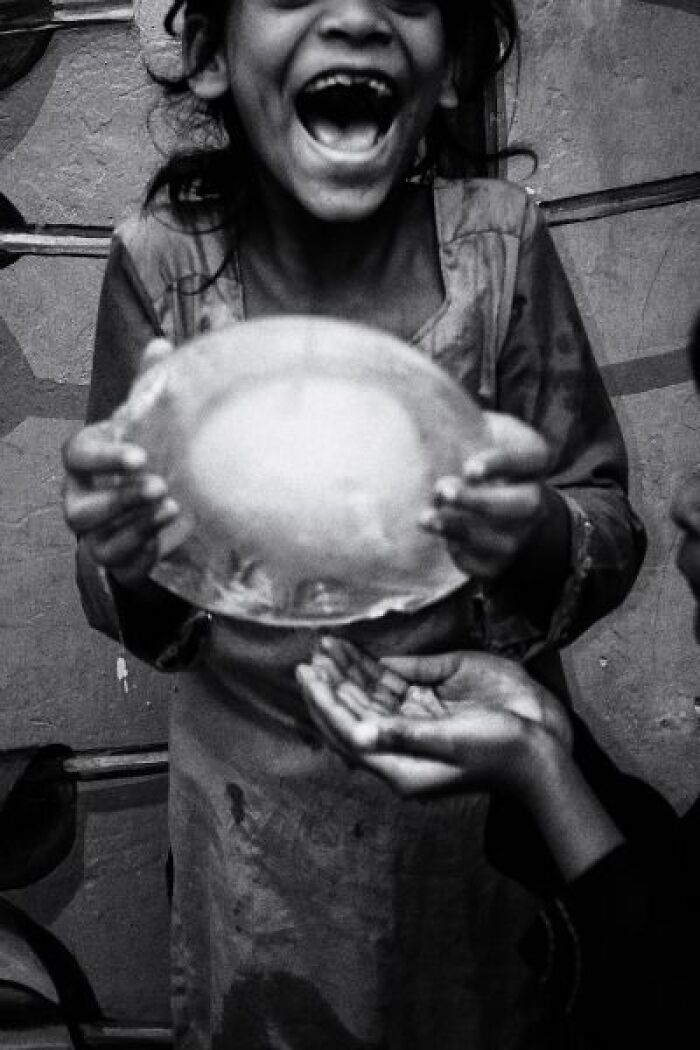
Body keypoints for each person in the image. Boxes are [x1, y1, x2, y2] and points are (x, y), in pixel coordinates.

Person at [61, 1, 646, 1046]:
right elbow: (131, 589)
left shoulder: (501, 246)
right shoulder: (161, 267)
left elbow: (607, 522)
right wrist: (131, 551)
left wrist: (530, 532)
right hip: (252, 832)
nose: (356, 13)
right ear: (207, 57)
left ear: (452, 70)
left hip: (473, 808)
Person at [297, 316, 700, 1050]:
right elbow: (675, 928)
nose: (686, 501)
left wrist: (542, 532)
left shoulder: (499, 240)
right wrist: (546, 747)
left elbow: (665, 1002)